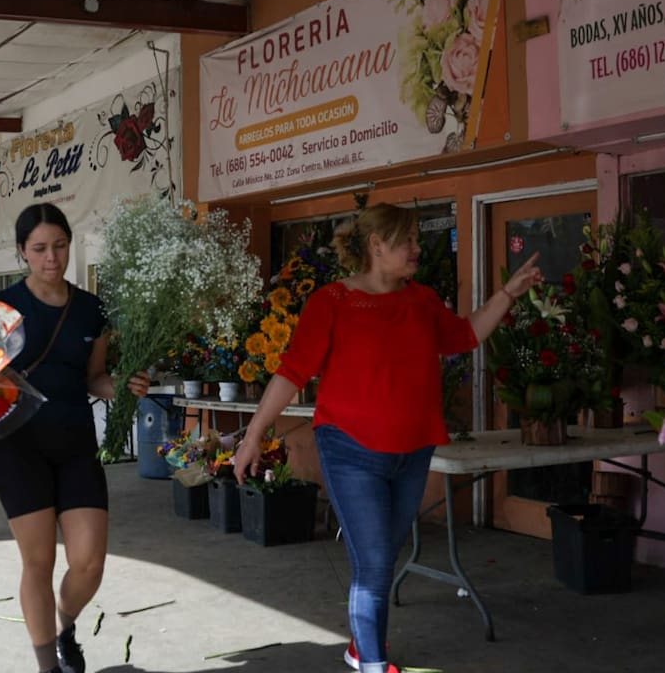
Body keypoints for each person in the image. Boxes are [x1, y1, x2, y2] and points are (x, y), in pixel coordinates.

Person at [232, 203, 543, 673]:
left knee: (378, 558)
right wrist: (252, 436)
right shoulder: (332, 302)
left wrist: (506, 293)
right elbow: (291, 373)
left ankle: (360, 648)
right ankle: (373, 664)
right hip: (350, 451)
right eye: (409, 240)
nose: (418, 249)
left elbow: (462, 336)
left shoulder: (421, 300)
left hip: (413, 452)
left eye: (417, 239)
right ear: (378, 245)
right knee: (376, 564)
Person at [0, 202, 150, 673]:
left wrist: (122, 384)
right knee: (39, 564)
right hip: (16, 448)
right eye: (40, 249)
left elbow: (94, 378)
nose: (52, 258)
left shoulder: (92, 309)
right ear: (22, 251)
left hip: (75, 447)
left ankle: (64, 622)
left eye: (60, 246)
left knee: (89, 564)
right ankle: (48, 665)